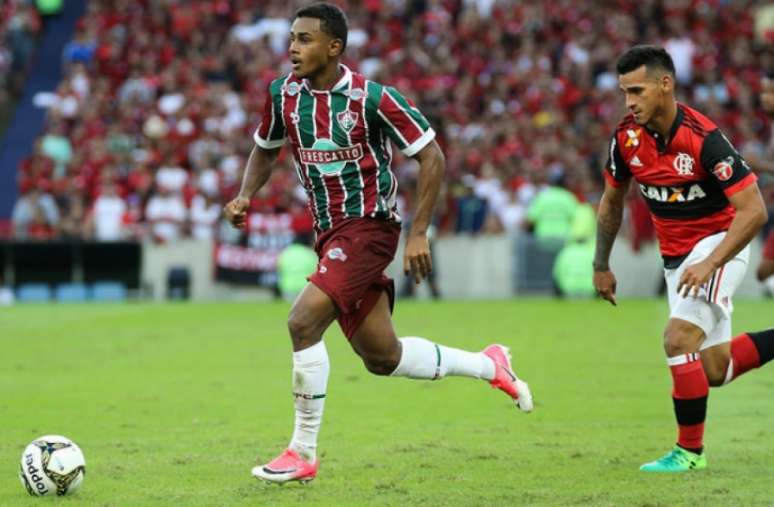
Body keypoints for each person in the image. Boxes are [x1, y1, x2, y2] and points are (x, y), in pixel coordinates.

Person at [223, 3, 532, 485]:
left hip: (370, 227)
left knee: (302, 323)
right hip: (328, 234)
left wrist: (419, 231)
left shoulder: (374, 98)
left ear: (334, 47)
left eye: (305, 39)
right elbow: (265, 147)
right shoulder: (283, 95)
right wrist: (245, 194)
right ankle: (489, 364)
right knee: (382, 357)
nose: (293, 48)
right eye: (291, 38)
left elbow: (432, 156)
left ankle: (302, 451)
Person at [593, 45, 774, 473]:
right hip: (677, 261)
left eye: (636, 90)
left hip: (718, 247)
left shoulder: (704, 139)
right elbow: (611, 202)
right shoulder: (626, 138)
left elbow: (754, 211)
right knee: (714, 368)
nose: (629, 101)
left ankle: (689, 453)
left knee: (677, 340)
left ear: (665, 84)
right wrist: (601, 264)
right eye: (624, 92)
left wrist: (711, 263)